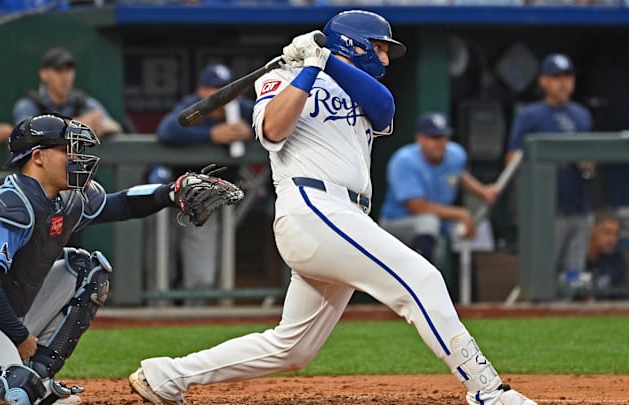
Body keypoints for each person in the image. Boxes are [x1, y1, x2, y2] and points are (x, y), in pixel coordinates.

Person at [129, 10, 536, 405]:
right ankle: (487, 390)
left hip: (344, 215)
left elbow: (384, 107)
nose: (384, 57)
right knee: (421, 278)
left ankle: (167, 375)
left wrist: (324, 60)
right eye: (378, 47)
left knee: (293, 348)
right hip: (312, 206)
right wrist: (307, 68)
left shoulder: (362, 91)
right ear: (353, 44)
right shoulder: (280, 77)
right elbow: (273, 128)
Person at [0, 113, 243, 405]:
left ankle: (38, 380)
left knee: (85, 271)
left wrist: (169, 193)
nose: (76, 157)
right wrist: (20, 335)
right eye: (67, 149)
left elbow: (120, 205)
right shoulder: (13, 202)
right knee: (13, 387)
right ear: (38, 157)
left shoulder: (67, 197)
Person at [149, 63, 254, 306]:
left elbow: (273, 122)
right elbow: (166, 130)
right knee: (161, 262)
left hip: (207, 198)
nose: (220, 96)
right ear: (201, 91)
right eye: (214, 89)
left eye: (225, 89)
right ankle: (158, 316)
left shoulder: (242, 109)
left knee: (201, 272)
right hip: (171, 190)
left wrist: (252, 129)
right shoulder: (193, 108)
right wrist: (211, 136)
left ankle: (192, 315)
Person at [506, 53, 593, 285]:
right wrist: (548, 160)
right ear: (543, 81)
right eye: (556, 77)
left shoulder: (582, 115)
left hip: (578, 204)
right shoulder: (530, 115)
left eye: (567, 76)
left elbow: (593, 157)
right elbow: (512, 159)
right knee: (542, 278)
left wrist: (587, 162)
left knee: (575, 278)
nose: (563, 82)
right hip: (544, 210)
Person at [378, 111, 497, 264]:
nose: (440, 143)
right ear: (420, 138)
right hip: (396, 226)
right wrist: (461, 214)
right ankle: (421, 279)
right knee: (429, 222)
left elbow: (458, 175)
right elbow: (418, 208)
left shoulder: (455, 154)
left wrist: (482, 191)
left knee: (434, 239)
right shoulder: (404, 160)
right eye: (434, 137)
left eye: (443, 137)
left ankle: (425, 282)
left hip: (433, 229)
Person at [12, 46, 122, 137]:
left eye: (68, 70)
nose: (65, 77)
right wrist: (76, 124)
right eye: (58, 71)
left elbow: (115, 126)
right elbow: (24, 132)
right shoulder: (30, 104)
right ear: (44, 74)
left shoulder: (81, 102)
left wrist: (100, 126)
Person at [585, 210, 628, 299]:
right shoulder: (575, 256)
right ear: (593, 230)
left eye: (616, 234)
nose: (612, 240)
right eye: (607, 232)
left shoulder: (617, 259)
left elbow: (620, 298)